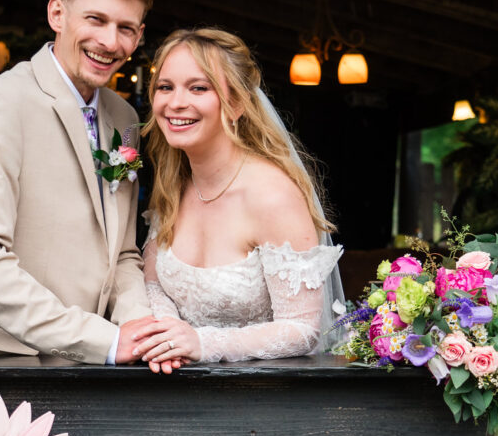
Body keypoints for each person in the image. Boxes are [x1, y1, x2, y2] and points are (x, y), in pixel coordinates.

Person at [0, 0, 159, 364]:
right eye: (95, 19)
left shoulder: (125, 117)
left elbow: (124, 252)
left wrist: (138, 329)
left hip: (106, 365)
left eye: (126, 28)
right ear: (57, 14)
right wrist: (104, 341)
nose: (110, 42)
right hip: (9, 361)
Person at [132, 28, 345, 370]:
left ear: (236, 104)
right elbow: (153, 283)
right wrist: (169, 336)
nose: (175, 102)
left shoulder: (273, 197)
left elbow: (302, 330)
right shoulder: (174, 182)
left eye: (198, 87)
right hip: (171, 389)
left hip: (256, 402)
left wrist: (202, 342)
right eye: (165, 87)